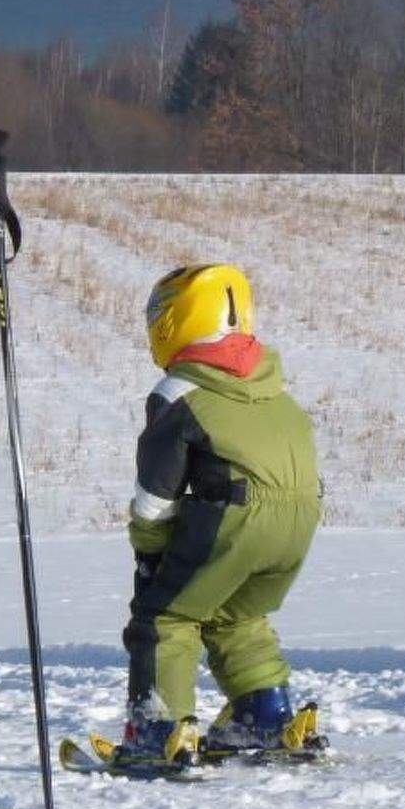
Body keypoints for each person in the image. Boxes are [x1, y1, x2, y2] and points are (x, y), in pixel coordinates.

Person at [115, 263, 324, 768]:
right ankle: (266, 713)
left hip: (237, 519)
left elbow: (157, 492)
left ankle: (157, 728)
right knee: (236, 613)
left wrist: (149, 551)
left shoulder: (179, 393)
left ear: (175, 321)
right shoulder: (276, 388)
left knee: (165, 616)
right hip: (300, 521)